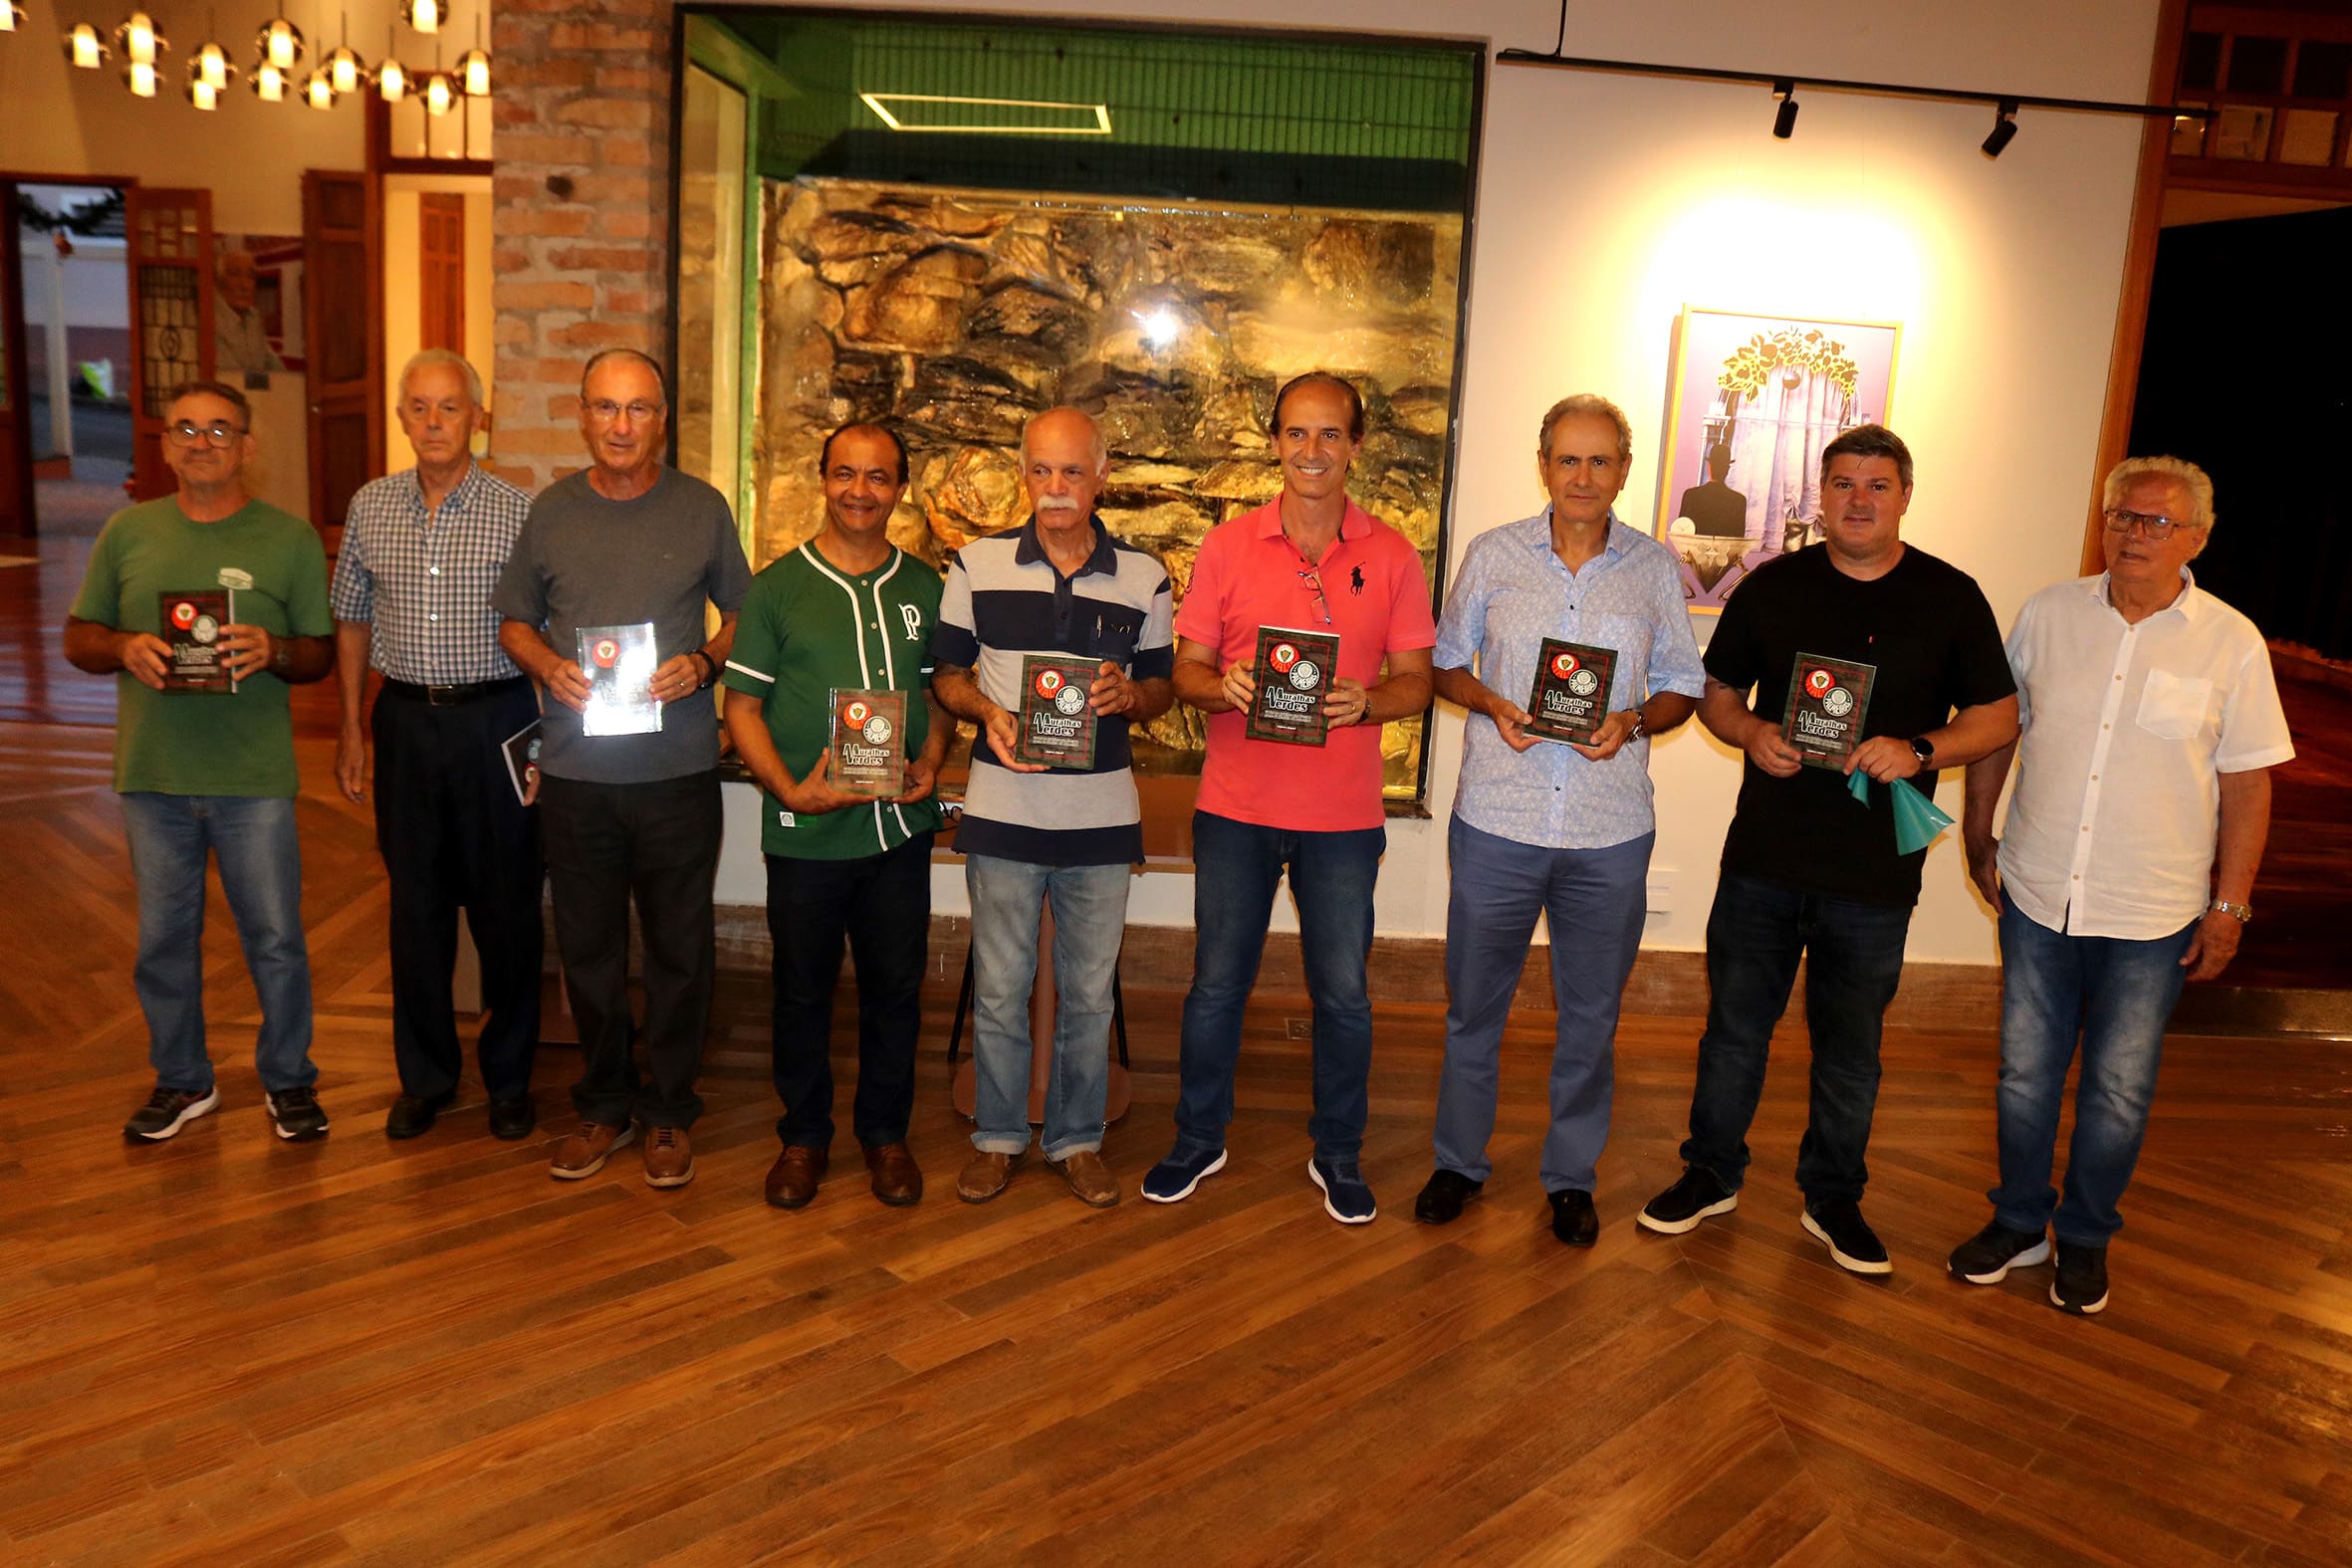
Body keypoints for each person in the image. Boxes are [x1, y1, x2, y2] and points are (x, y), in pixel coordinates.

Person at [1637, 424, 2018, 1274]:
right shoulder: (1774, 585)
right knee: (1735, 1031)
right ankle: (1710, 1172)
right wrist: (1750, 731)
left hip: (1875, 870)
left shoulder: (1951, 596)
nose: (1859, 500)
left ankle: (1833, 1196)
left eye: (1877, 485)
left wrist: (1921, 749)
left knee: (1851, 1048)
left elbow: (1999, 716)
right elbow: (1716, 690)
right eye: (1843, 483)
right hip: (1764, 857)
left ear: (1905, 495)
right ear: (1821, 493)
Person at [1949, 456, 2292, 1315]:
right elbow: (1999, 728)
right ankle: (2019, 1221)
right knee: (2024, 1076)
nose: (2134, 534)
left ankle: (2087, 1236)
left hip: (2154, 909)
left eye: (2156, 521)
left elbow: (2249, 784)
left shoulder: (2232, 641)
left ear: (2197, 539)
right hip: (2038, 889)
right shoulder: (2048, 614)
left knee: (2118, 1089)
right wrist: (1978, 831)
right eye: (2121, 517)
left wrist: (2229, 906)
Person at [1141, 371, 1436, 1225]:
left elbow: (1417, 681)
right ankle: (1199, 1137)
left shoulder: (1392, 556)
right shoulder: (1228, 546)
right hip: (1235, 809)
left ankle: (1338, 1151)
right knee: (1215, 986)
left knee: (1343, 995)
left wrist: (1366, 702)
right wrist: (1222, 685)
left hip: (1342, 821)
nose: (1313, 451)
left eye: (1331, 434)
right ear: (1275, 442)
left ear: (1356, 446)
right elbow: (1185, 672)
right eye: (1297, 433)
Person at [1418, 394, 1705, 1245]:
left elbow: (1683, 684)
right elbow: (1444, 665)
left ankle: (1571, 1178)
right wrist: (1490, 701)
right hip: (1498, 820)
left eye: (1600, 460)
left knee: (1591, 1019)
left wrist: (1633, 720)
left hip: (1607, 833)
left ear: (1624, 469)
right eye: (1568, 459)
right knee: (1474, 1009)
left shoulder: (1654, 568)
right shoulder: (1492, 554)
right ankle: (1457, 1162)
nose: (1583, 476)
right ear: (1543, 465)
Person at [491, 348, 749, 1190]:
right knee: (589, 951)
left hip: (677, 771)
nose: (621, 425)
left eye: (638, 408)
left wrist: (705, 664)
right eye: (606, 407)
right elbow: (514, 620)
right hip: (577, 774)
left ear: (661, 421)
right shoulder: (553, 512)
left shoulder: (701, 508)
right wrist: (547, 664)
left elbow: (745, 614)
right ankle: (603, 1103)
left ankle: (669, 1109)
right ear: (582, 416)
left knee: (680, 950)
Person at [64, 380, 335, 1141]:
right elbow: (78, 635)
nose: (202, 442)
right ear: (165, 445)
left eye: (220, 429)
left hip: (253, 778)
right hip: (154, 775)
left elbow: (318, 653)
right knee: (163, 941)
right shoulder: (128, 531)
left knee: (275, 937)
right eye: (186, 428)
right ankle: (183, 1079)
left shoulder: (288, 538)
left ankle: (289, 1079)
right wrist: (123, 645)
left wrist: (273, 650)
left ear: (247, 445)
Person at [930, 406, 1174, 1209]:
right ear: (1023, 473)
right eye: (1041, 469)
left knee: (1090, 994)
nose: (1056, 486)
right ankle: (998, 1138)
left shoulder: (1144, 576)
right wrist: (985, 710)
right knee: (1000, 988)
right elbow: (947, 676)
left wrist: (1130, 695)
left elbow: (1163, 688)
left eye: (1073, 470)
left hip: (1101, 820)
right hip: (1002, 811)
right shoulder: (975, 564)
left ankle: (1076, 1141)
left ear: (1103, 475)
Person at [722, 423, 949, 1211]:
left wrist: (932, 759)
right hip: (808, 832)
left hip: (897, 833)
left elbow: (938, 695)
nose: (860, 490)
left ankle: (885, 1135)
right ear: (822, 479)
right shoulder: (777, 588)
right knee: (801, 992)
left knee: (896, 990)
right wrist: (790, 790)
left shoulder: (925, 587)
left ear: (900, 489)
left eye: (878, 476)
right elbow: (741, 708)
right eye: (845, 473)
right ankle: (803, 1137)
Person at [332, 348, 542, 1142]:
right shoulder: (371, 505)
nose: (433, 421)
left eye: (449, 406)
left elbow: (546, 632)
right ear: (400, 417)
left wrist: (547, 743)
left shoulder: (519, 512)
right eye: (418, 407)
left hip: (496, 721)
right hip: (405, 723)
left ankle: (510, 1079)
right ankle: (426, 1077)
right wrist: (351, 726)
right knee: (415, 909)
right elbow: (352, 618)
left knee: (506, 907)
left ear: (477, 418)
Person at [213, 251, 285, 378]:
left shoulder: (254, 317)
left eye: (251, 276)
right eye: (235, 274)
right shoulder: (210, 319)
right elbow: (233, 377)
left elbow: (271, 361)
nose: (245, 285)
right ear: (219, 281)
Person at [1676, 442, 1749, 539]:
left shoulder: (1690, 496)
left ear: (1709, 466)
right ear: (1727, 469)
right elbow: (1737, 539)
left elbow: (1681, 536)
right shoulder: (1739, 501)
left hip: (1695, 549)